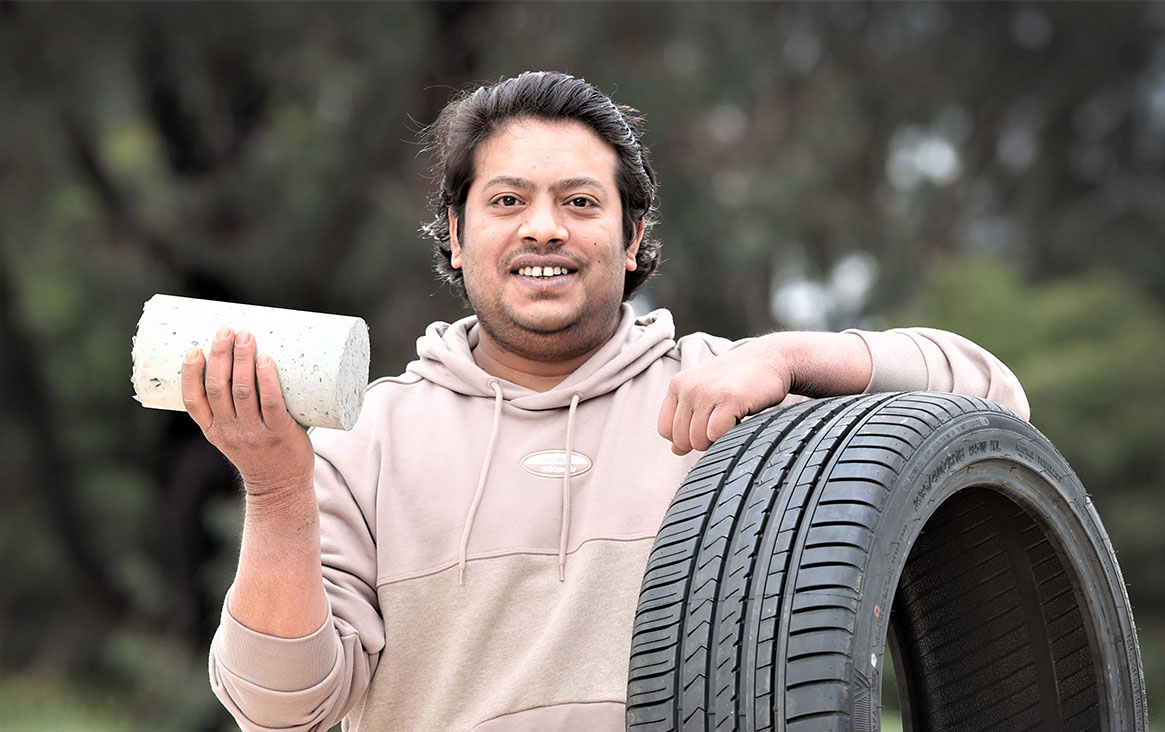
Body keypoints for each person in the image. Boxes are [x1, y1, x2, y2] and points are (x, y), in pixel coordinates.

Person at [187, 71, 1028, 732]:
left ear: (630, 240)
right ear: (454, 232)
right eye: (507, 201)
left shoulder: (732, 393)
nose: (544, 229)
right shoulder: (360, 440)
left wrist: (789, 355)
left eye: (581, 202)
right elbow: (278, 708)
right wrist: (276, 489)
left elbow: (994, 401)